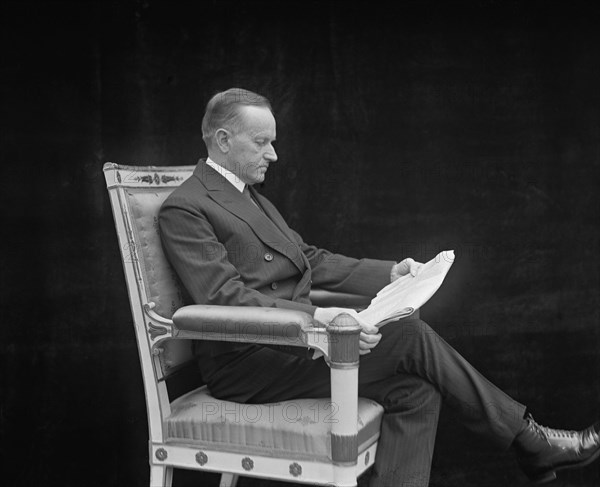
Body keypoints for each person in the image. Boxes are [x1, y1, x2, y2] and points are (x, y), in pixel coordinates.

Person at [158, 88, 600, 486]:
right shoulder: (186, 207)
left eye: (272, 141)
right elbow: (222, 298)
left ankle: (530, 442)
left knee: (416, 391)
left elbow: (307, 257)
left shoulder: (247, 195)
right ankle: (529, 438)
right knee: (408, 333)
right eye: (261, 143)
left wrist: (389, 273)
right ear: (222, 140)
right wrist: (319, 319)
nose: (273, 154)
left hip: (292, 345)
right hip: (250, 360)